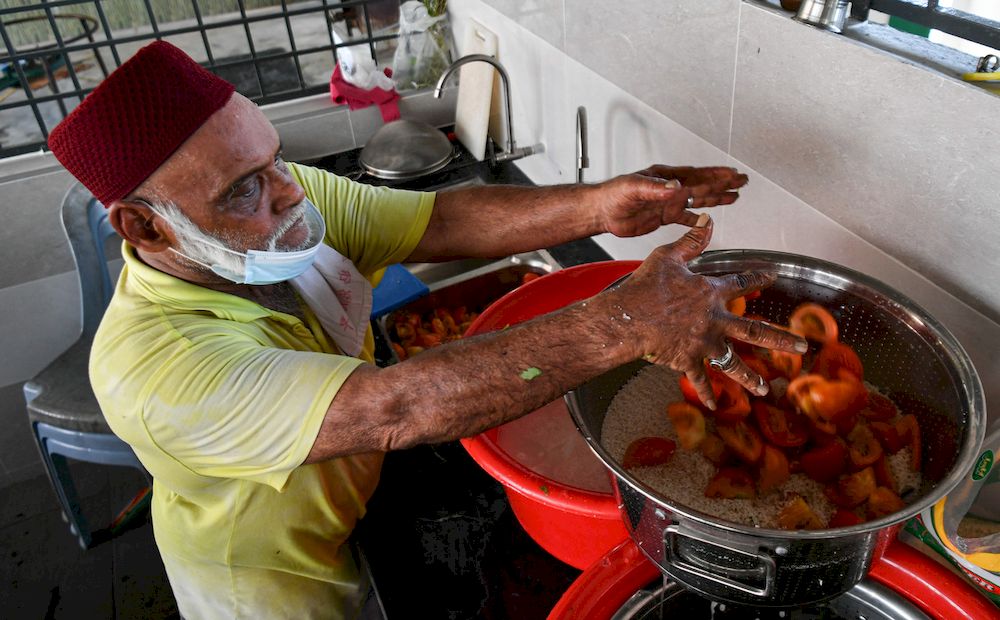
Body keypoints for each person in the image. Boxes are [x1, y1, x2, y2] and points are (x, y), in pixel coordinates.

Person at [47, 41, 806, 619]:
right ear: (145, 226)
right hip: (271, 577)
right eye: (243, 188)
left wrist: (597, 206)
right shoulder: (155, 369)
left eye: (275, 159)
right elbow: (393, 408)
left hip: (352, 499)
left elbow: (435, 218)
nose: (287, 192)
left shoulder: (282, 208)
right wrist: (626, 319)